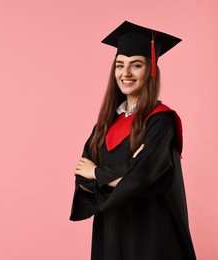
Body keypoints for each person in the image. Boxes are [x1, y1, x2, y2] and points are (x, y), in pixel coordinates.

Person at [70, 21, 196, 260]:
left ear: (151, 69)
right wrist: (126, 172)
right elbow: (81, 179)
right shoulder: (103, 126)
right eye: (120, 65)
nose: (125, 73)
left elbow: (145, 179)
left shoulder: (161, 121)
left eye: (135, 65)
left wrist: (97, 172)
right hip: (112, 232)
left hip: (152, 234)